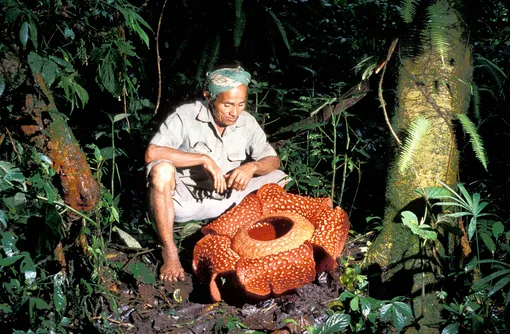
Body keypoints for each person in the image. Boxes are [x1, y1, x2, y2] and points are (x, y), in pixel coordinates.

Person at [145, 66, 288, 282]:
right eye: (227, 104)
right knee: (161, 170)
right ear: (209, 98)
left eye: (241, 104)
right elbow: (152, 152)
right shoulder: (186, 116)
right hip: (186, 203)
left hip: (228, 198)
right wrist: (203, 159)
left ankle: (251, 239)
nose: (234, 112)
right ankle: (170, 250)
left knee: (279, 177)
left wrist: (251, 167)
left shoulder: (246, 122)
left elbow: (272, 160)